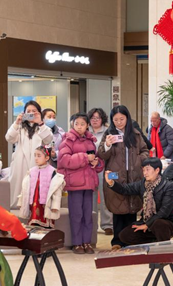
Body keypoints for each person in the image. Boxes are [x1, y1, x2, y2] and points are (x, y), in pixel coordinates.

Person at [97, 105, 150, 248]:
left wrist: (139, 160)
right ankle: (117, 241)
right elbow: (101, 154)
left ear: (127, 118)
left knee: (131, 209)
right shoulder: (109, 134)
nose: (119, 122)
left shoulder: (135, 134)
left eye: (122, 119)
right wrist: (107, 145)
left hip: (134, 176)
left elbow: (145, 150)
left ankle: (130, 241)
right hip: (116, 177)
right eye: (116, 120)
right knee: (118, 209)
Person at [104, 157, 173, 246]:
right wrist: (111, 183)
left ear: (157, 170)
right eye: (143, 170)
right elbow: (126, 189)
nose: (145, 173)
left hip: (167, 222)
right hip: (146, 221)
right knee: (124, 235)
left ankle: (164, 250)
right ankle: (153, 242)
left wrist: (147, 225)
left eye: (147, 170)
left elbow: (164, 211)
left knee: (158, 224)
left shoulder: (168, 186)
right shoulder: (142, 184)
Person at [59, 113, 103, 253]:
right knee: (76, 215)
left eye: (82, 124)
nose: (79, 127)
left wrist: (96, 162)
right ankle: (77, 243)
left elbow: (97, 160)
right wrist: (85, 157)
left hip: (89, 183)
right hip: (74, 184)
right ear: (72, 124)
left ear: (87, 125)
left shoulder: (91, 140)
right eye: (76, 124)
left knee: (88, 215)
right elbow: (65, 160)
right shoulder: (67, 140)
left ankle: (87, 242)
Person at [6, 100, 54, 208]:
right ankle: (18, 209)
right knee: (18, 191)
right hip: (20, 164)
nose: (31, 113)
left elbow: (48, 139)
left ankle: (35, 210)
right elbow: (9, 138)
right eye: (28, 111)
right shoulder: (19, 127)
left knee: (35, 190)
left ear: (39, 113)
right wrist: (16, 122)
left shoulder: (43, 127)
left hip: (37, 163)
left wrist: (40, 122)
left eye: (34, 111)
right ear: (24, 113)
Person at [19, 146, 65, 229]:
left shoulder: (52, 172)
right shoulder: (31, 171)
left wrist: (55, 205)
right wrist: (22, 202)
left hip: (46, 205)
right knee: (33, 224)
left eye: (39, 156)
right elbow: (25, 189)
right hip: (34, 203)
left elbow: (56, 191)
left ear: (47, 158)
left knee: (46, 226)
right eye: (35, 155)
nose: (36, 158)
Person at [88, 108, 113, 236]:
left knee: (105, 195)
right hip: (89, 168)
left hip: (105, 168)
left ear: (102, 119)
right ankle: (92, 225)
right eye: (92, 118)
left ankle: (107, 225)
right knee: (90, 197)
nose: (95, 120)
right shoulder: (86, 132)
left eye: (97, 118)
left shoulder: (108, 131)